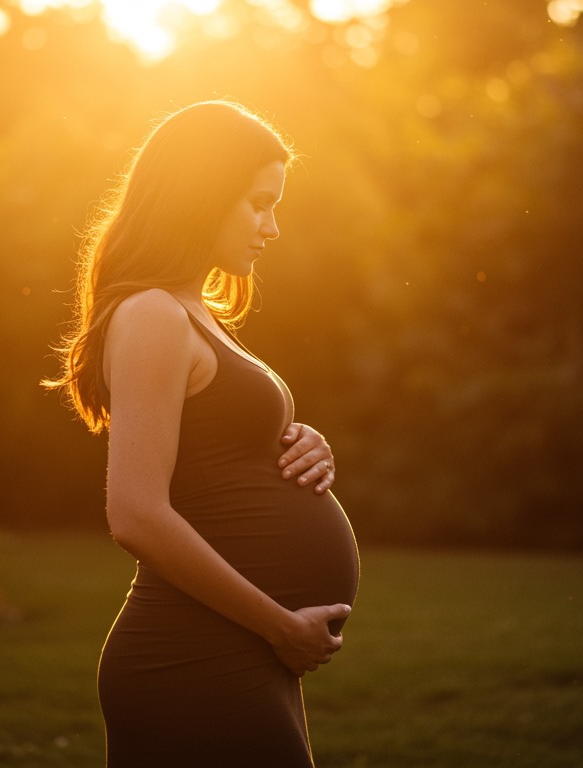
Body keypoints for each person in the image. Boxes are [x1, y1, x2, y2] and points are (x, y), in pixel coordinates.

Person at [45, 100, 359, 767]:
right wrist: (280, 625)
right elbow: (135, 513)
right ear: (200, 196)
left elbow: (217, 447)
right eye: (257, 203)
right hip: (193, 659)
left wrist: (300, 442)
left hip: (236, 651)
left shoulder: (192, 310)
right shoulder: (153, 314)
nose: (272, 228)